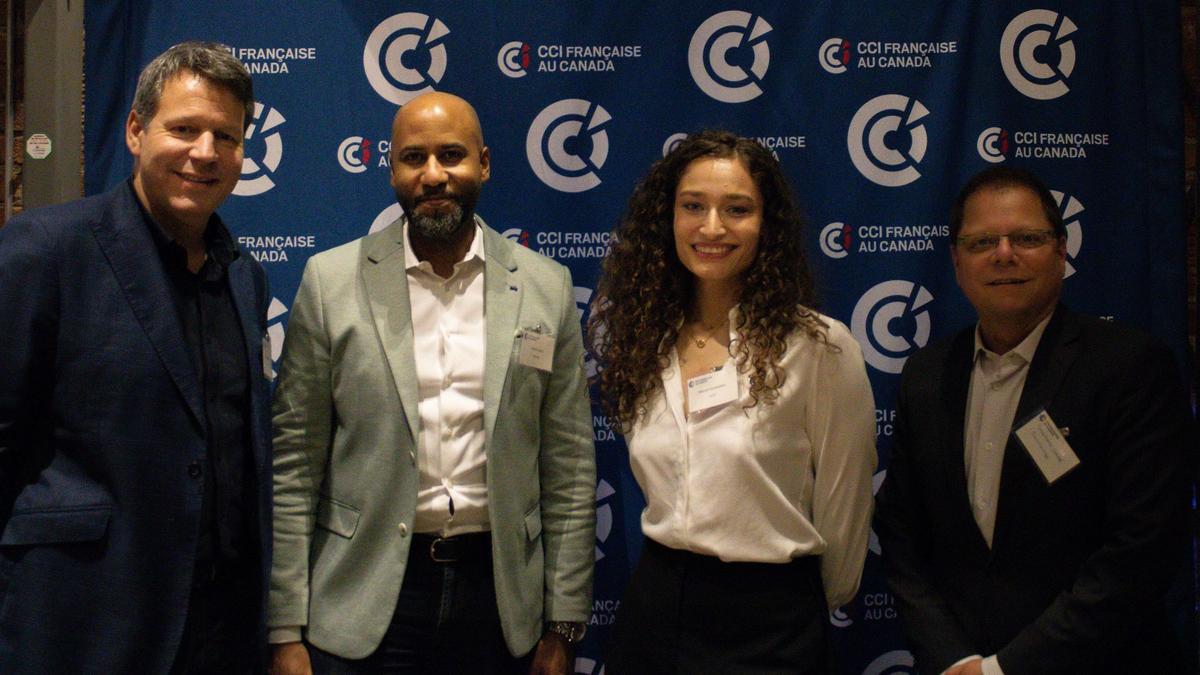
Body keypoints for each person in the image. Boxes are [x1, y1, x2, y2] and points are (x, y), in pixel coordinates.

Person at [268, 92, 595, 675]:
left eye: (452, 155)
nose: (434, 175)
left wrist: (564, 622)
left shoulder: (546, 287)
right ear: (391, 169)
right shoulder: (330, 282)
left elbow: (568, 465)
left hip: (499, 602)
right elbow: (294, 464)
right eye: (414, 158)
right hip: (363, 598)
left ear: (484, 164)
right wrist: (284, 628)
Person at [0, 42, 272, 672]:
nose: (205, 152)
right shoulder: (46, 251)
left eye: (226, 137)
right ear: (134, 131)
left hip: (220, 630)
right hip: (81, 623)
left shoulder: (244, 277)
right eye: (184, 129)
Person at [874, 166, 1193, 675]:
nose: (1004, 254)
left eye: (1026, 238)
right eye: (982, 242)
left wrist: (1006, 669)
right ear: (957, 261)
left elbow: (1141, 550)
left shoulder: (1130, 367)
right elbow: (902, 536)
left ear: (1061, 251)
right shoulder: (926, 375)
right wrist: (956, 659)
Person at [590, 130, 877, 673]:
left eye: (737, 209)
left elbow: (845, 509)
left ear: (767, 224)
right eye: (693, 206)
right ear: (667, 218)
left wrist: (803, 604)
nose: (712, 227)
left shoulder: (820, 349)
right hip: (655, 613)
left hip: (772, 625)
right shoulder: (644, 343)